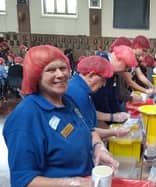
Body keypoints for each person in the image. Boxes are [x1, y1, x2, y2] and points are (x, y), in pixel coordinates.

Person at [3, 45, 118, 187]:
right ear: (36, 75)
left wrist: (98, 147)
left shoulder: (66, 101)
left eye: (63, 68)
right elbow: (23, 180)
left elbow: (88, 129)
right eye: (51, 70)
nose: (60, 74)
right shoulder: (26, 116)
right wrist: (72, 183)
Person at [66, 55, 130, 138]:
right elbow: (87, 132)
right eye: (103, 80)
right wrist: (114, 132)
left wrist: (114, 117)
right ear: (91, 75)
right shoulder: (78, 93)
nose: (104, 84)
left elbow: (89, 112)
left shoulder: (79, 87)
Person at [91, 45, 138, 126]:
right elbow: (99, 99)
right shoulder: (100, 64)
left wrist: (119, 118)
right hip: (94, 117)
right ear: (119, 60)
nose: (125, 70)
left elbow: (112, 97)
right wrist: (111, 119)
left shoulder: (113, 71)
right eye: (126, 66)